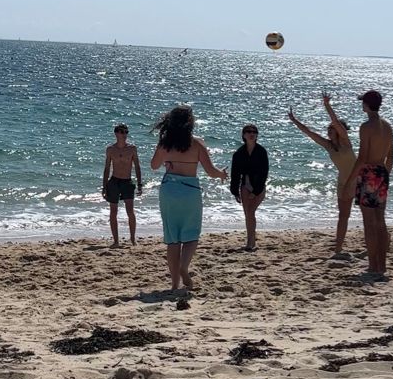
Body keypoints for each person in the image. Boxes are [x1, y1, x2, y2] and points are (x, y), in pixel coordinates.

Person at [150, 105, 227, 291]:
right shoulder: (197, 143)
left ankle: (175, 284)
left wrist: (169, 162)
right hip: (190, 191)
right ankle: (184, 267)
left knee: (172, 239)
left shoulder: (164, 144)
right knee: (191, 234)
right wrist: (222, 175)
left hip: (169, 190)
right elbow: (210, 171)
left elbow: (154, 166)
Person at [288, 93, 356, 257]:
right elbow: (309, 132)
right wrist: (294, 120)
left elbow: (335, 121)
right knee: (343, 216)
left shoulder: (346, 141)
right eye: (328, 130)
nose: (329, 131)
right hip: (343, 182)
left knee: (369, 214)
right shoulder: (328, 146)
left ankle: (379, 241)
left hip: (358, 180)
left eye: (332, 129)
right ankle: (338, 250)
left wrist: (327, 105)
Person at [347, 90, 393, 279]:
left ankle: (373, 265)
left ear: (366, 105)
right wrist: (384, 177)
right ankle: (381, 265)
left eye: (363, 103)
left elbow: (363, 157)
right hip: (382, 172)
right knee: (380, 222)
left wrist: (351, 179)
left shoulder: (366, 126)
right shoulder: (387, 126)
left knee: (369, 223)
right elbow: (391, 157)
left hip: (369, 173)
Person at [230, 125, 269, 252]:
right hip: (245, 185)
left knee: (251, 212)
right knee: (248, 214)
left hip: (258, 185)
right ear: (244, 135)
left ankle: (251, 243)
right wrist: (235, 191)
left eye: (254, 132)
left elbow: (264, 172)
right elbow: (235, 174)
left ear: (257, 135)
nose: (251, 134)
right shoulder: (239, 153)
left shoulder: (261, 151)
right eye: (248, 132)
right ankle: (250, 242)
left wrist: (256, 191)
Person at [102, 124, 142, 246]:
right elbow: (107, 168)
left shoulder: (132, 148)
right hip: (114, 182)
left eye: (126, 132)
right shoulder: (110, 149)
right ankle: (116, 241)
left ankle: (133, 239)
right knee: (113, 212)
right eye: (122, 132)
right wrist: (104, 186)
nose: (125, 135)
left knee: (130, 211)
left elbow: (137, 167)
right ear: (116, 133)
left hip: (127, 182)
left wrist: (140, 184)